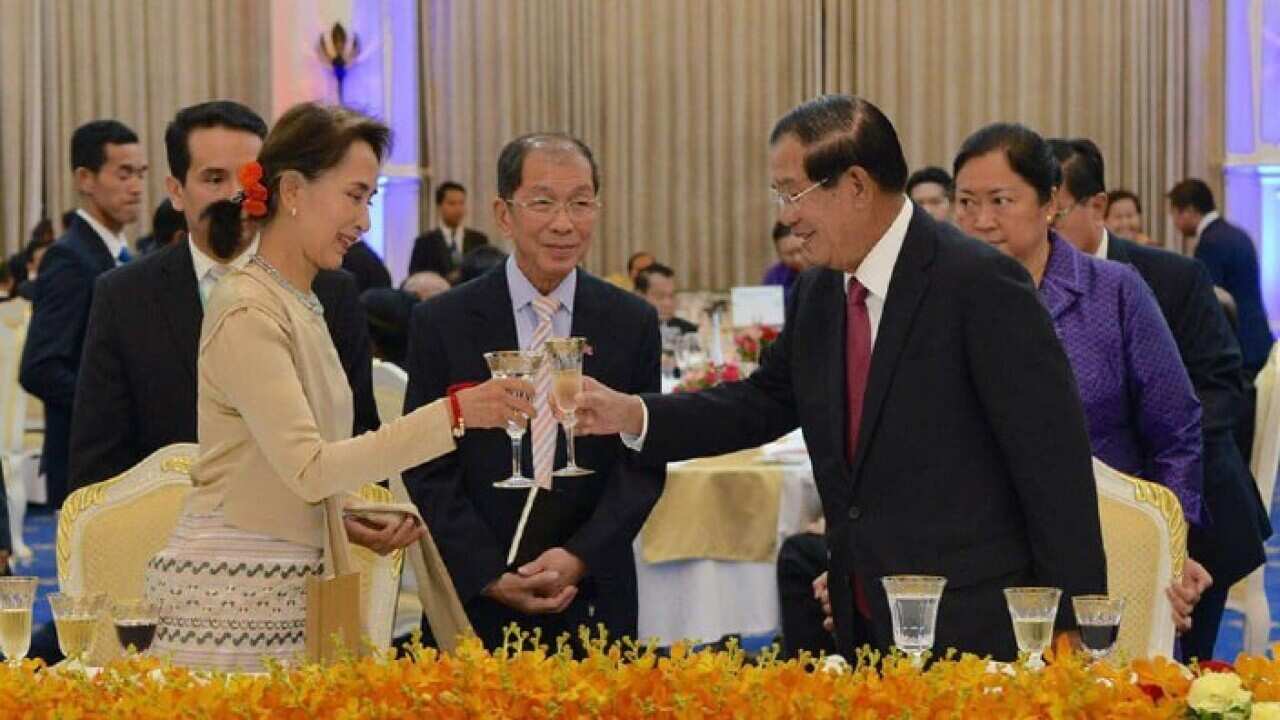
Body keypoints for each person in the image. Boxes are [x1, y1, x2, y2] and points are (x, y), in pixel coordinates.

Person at [573, 95, 1106, 661]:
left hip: (972, 622)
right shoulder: (822, 290)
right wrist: (636, 414)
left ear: (854, 185)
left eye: (792, 192)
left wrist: (1070, 629)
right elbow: (765, 401)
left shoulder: (976, 283)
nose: (785, 215)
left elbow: (1053, 465)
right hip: (864, 617)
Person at [142, 102, 533, 672]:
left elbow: (280, 469)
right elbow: (310, 467)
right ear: (294, 191)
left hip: (287, 579)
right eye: (355, 196)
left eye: (368, 200)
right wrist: (453, 414)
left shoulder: (298, 300)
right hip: (232, 595)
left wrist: (344, 516)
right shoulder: (248, 307)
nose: (365, 221)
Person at [401, 132, 665, 651]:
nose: (564, 223)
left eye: (580, 203)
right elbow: (425, 463)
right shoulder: (442, 322)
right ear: (504, 214)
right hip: (474, 599)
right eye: (543, 202)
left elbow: (643, 461)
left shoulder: (631, 321)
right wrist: (488, 572)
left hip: (592, 595)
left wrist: (581, 556)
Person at [951, 123, 1208, 629]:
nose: (980, 220)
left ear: (1050, 204)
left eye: (1000, 200)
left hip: (1104, 549)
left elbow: (1176, 431)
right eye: (965, 203)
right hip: (974, 555)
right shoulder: (942, 303)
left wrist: (1169, 548)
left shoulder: (1113, 293)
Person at [69, 100, 380, 495]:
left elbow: (360, 439)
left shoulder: (331, 292)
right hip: (167, 538)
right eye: (214, 179)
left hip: (309, 533)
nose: (237, 195)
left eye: (250, 177)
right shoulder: (125, 297)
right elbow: (98, 464)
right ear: (177, 191)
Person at [1049, 137, 1269, 659]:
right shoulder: (1021, 287)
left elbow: (1221, 391)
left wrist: (1149, 483)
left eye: (1054, 215)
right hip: (1084, 523)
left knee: (1167, 684)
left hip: (1197, 513)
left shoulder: (1171, 277)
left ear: (1096, 206)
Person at [19, 119, 145, 508]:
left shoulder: (125, 256)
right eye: (123, 174)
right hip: (86, 463)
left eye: (141, 174)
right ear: (85, 179)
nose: (136, 187)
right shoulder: (69, 258)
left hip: (123, 462)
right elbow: (41, 366)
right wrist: (115, 407)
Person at [1169, 178, 1274, 377]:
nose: (1174, 223)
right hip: (1259, 343)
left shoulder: (1210, 244)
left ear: (1189, 211)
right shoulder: (1237, 234)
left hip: (1238, 350)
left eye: (1175, 214)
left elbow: (1209, 301)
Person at [408, 181, 490, 281]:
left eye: (461, 203)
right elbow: (415, 278)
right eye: (452, 203)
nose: (458, 209)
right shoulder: (424, 242)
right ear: (439, 206)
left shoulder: (479, 240)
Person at [635, 263, 697, 334]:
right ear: (639, 297)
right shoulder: (623, 331)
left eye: (672, 296)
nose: (668, 304)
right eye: (659, 296)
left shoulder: (689, 331)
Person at [761, 222, 809, 294]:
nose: (797, 259)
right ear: (779, 254)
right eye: (789, 254)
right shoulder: (774, 276)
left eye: (800, 250)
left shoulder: (827, 268)